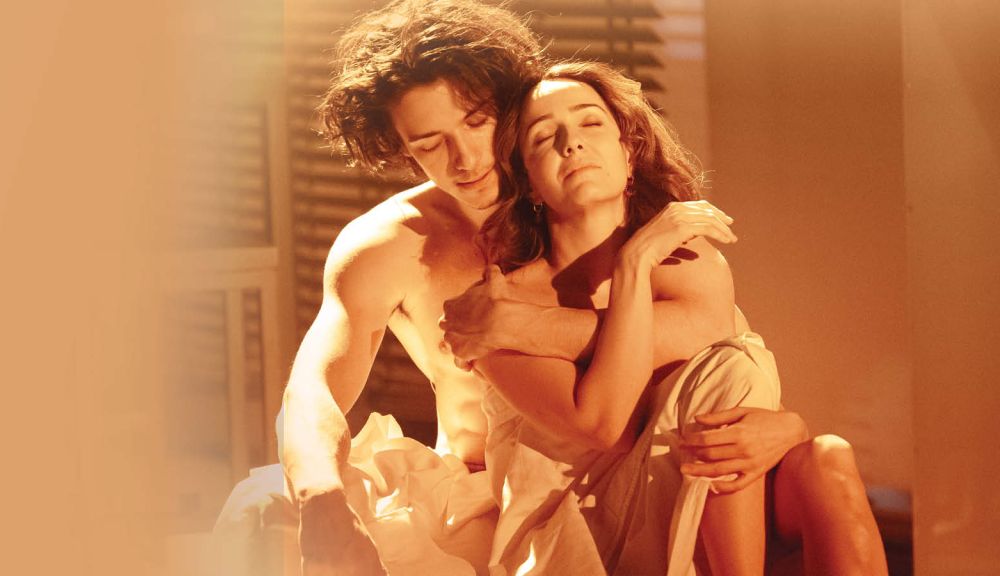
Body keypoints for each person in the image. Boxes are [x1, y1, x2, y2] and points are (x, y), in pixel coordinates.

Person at [212, 1, 820, 575]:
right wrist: (320, 496)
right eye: (429, 144)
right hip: (479, 488)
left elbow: (715, 346)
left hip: (632, 473)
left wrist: (790, 426)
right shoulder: (388, 244)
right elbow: (314, 386)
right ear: (399, 149)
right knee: (266, 505)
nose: (465, 158)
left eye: (478, 122)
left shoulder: (608, 214)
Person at [445, 61, 889, 574]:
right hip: (578, 533)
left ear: (628, 154)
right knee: (728, 369)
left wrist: (791, 427)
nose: (572, 143)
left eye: (590, 122)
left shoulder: (686, 264)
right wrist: (634, 266)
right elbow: (603, 424)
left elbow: (717, 374)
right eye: (544, 137)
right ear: (529, 184)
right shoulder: (497, 300)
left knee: (826, 456)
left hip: (694, 494)